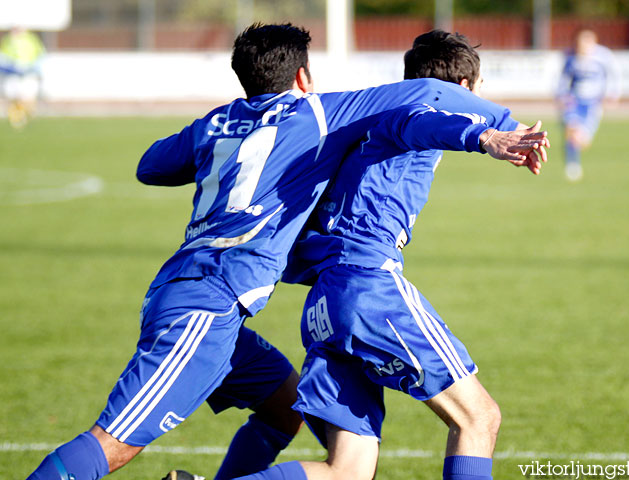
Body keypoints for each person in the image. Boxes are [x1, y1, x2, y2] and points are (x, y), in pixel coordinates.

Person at [26, 23, 546, 480]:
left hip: (248, 294)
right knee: (112, 445)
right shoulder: (322, 116)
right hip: (241, 296)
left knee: (318, 443)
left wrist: (230, 129)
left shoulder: (222, 123)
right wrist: (492, 130)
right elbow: (420, 107)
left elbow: (150, 166)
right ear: (302, 79)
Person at [227, 30, 548, 480]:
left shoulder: (363, 132)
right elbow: (419, 123)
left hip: (326, 305)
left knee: (348, 472)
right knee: (478, 418)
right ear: (468, 88)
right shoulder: (409, 117)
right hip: (368, 289)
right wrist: (485, 136)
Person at [556, 28, 621, 181]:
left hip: (592, 104)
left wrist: (613, 94)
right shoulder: (570, 57)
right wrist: (560, 96)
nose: (583, 46)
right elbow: (562, 79)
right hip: (573, 101)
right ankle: (572, 165)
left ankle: (574, 152)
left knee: (582, 140)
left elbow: (614, 75)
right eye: (580, 42)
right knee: (571, 132)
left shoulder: (603, 57)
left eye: (586, 41)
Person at [0, 26, 45, 129]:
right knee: (13, 97)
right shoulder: (8, 40)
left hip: (28, 72)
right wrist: (10, 66)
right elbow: (3, 55)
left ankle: (27, 116)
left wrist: (32, 66)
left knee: (27, 97)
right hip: (13, 73)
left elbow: (40, 53)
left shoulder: (31, 39)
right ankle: (17, 117)